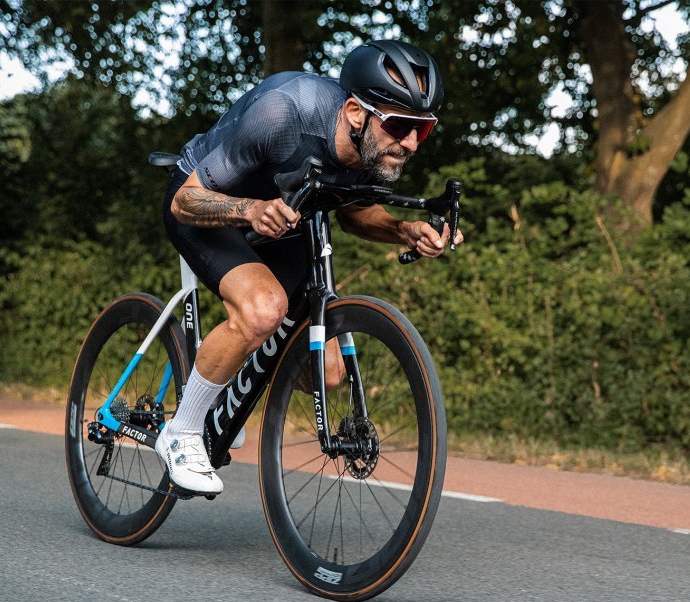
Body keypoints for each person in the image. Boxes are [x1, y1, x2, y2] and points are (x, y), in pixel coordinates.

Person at [157, 39, 463, 494]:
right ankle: (181, 432)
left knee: (325, 371)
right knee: (263, 309)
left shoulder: (373, 148)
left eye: (424, 129)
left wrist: (405, 230)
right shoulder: (283, 113)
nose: (412, 143)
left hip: (285, 216)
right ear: (357, 113)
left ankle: (222, 382)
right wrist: (248, 211)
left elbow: (353, 212)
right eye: (401, 126)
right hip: (209, 203)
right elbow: (186, 201)